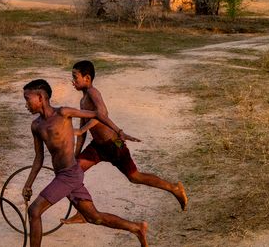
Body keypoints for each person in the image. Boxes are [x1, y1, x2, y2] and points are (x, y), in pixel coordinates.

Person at [21, 79, 148, 247]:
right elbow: (39, 158)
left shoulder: (63, 113)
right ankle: (137, 227)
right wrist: (28, 185)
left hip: (69, 174)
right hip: (63, 175)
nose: (25, 104)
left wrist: (119, 132)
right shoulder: (36, 126)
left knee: (34, 210)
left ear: (39, 97)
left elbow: (97, 114)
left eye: (27, 99)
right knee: (93, 217)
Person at [62, 60, 187, 225]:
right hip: (98, 147)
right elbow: (82, 132)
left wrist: (82, 130)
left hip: (114, 143)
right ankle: (83, 212)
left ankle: (174, 188)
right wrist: (75, 154)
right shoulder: (82, 101)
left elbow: (102, 114)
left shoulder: (93, 92)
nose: (73, 81)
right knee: (73, 171)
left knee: (134, 176)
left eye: (75, 77)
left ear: (87, 78)